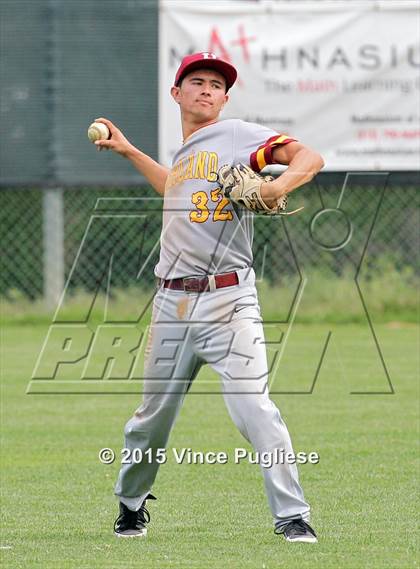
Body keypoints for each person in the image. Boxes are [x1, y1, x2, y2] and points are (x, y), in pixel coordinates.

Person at [95, 52, 324, 543]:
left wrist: (277, 186)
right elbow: (173, 191)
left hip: (229, 301)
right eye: (195, 81)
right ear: (176, 94)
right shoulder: (184, 154)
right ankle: (131, 503)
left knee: (254, 408)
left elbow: (310, 158)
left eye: (216, 85)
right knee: (150, 421)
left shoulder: (237, 135)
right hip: (171, 305)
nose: (206, 89)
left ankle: (291, 514)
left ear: (224, 99)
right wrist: (131, 152)